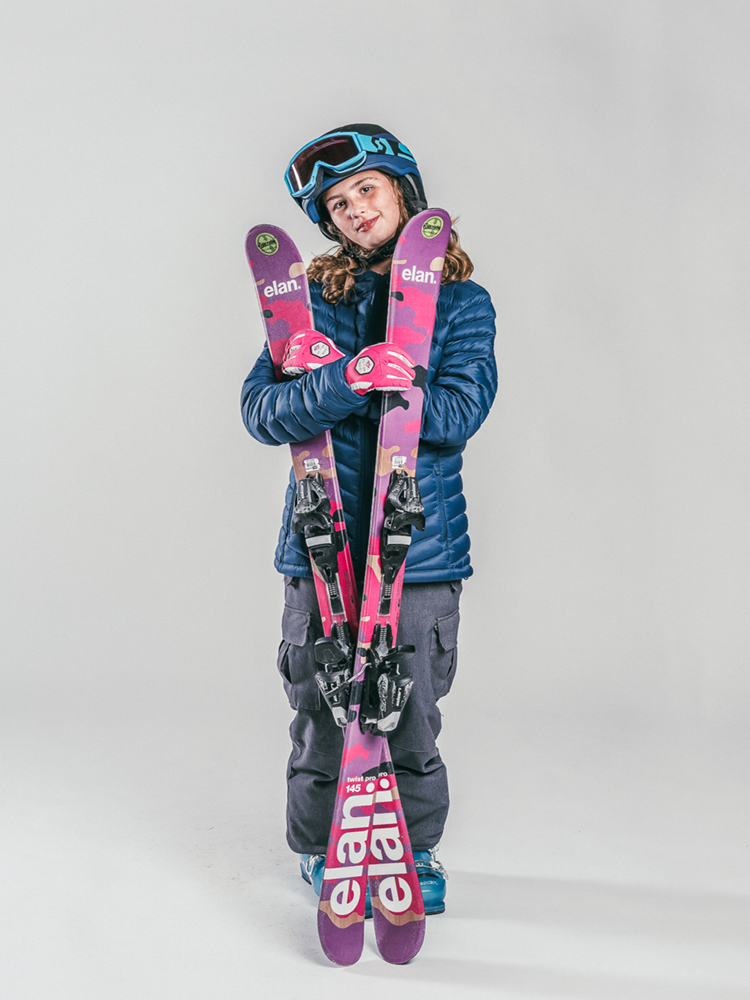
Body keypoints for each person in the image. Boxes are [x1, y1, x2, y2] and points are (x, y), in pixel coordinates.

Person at [241, 125, 497, 915]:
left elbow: (461, 412)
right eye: (338, 202)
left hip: (416, 552)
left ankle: (410, 854)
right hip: (318, 547)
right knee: (322, 712)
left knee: (410, 709)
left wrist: (402, 375)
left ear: (402, 193)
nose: (354, 208)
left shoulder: (462, 305)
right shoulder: (310, 305)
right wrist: (347, 377)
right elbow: (262, 411)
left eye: (367, 190)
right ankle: (327, 850)